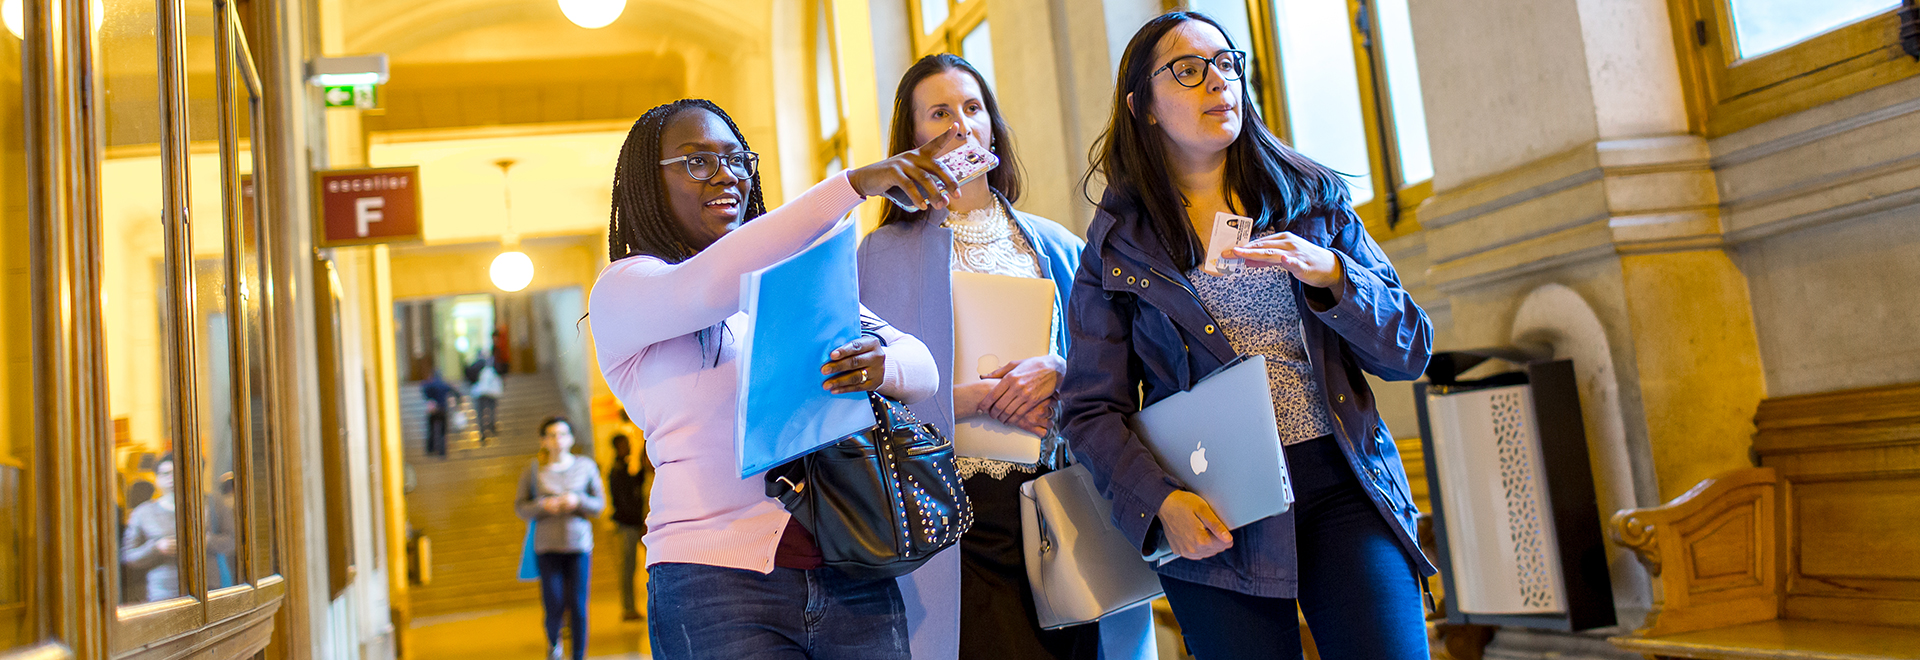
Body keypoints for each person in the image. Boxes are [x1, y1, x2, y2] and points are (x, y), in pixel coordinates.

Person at [1061, 11, 1435, 660]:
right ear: (1142, 106)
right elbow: (1090, 408)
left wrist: (1334, 276)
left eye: (1228, 63)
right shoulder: (1118, 245)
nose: (1218, 82)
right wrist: (1160, 502)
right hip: (1215, 508)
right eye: (1188, 69)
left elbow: (1410, 350)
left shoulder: (1311, 198)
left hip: (1344, 484)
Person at [587, 98, 957, 659]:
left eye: (736, 159)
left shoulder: (790, 281)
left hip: (850, 564)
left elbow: (923, 366)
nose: (727, 176)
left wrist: (881, 365)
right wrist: (853, 185)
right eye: (697, 162)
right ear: (648, 183)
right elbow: (704, 287)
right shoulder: (626, 290)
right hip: (714, 583)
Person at [858, 53, 1154, 660]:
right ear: (911, 139)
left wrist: (1060, 372)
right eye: (939, 113)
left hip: (1062, 494)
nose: (961, 124)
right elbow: (859, 397)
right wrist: (966, 401)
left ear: (992, 125)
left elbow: (1120, 367)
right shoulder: (877, 256)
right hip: (948, 508)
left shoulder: (1058, 245)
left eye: (972, 108)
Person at [515, 416, 606, 660]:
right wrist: (544, 505)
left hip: (579, 545)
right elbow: (521, 507)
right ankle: (554, 645)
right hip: (547, 546)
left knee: (578, 605)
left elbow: (600, 505)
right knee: (553, 602)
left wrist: (578, 501)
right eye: (552, 435)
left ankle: (579, 654)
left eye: (563, 434)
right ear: (543, 440)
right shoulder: (533, 470)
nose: (558, 440)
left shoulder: (585, 466)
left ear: (571, 438)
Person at [122, 454, 181, 602]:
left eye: (176, 473)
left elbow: (232, 541)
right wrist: (156, 548)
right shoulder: (143, 512)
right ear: (156, 478)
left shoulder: (209, 505)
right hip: (163, 593)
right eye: (166, 473)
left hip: (210, 590)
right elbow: (128, 556)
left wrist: (207, 541)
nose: (171, 478)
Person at [607, 433, 648, 622]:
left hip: (633, 524)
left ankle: (631, 607)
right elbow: (625, 502)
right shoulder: (616, 471)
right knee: (628, 568)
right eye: (625, 445)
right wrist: (639, 523)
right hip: (627, 526)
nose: (628, 448)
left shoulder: (624, 469)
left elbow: (635, 486)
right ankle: (628, 608)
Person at [420, 369, 461, 457]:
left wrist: (429, 399)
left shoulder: (429, 384)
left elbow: (423, 388)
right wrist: (458, 402)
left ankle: (430, 449)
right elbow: (457, 393)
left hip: (433, 409)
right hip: (443, 409)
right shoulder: (444, 384)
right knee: (443, 431)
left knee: (431, 430)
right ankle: (442, 451)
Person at [472, 360, 504, 442]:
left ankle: (482, 431)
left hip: (479, 394)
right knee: (491, 411)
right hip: (491, 394)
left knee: (481, 413)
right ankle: (491, 426)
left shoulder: (477, 369)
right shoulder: (491, 371)